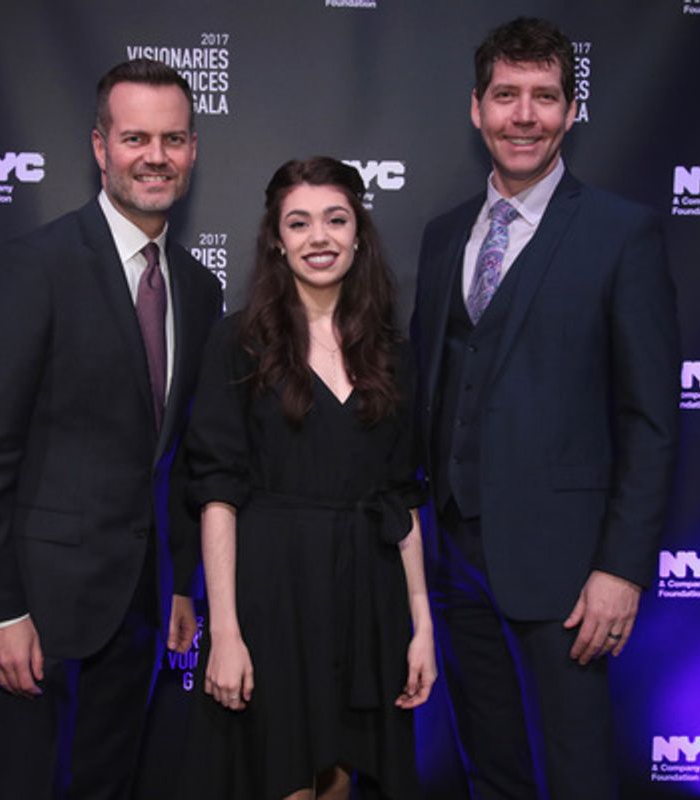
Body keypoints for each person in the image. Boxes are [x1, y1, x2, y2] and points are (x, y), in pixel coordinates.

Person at [410, 17, 680, 800]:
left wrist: (621, 569)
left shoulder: (621, 236)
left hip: (568, 570)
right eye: (506, 96)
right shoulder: (442, 237)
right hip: (455, 559)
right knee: (488, 765)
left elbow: (650, 418)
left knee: (575, 771)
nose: (523, 115)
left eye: (543, 97)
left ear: (569, 110)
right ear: (476, 108)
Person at [0, 58, 223, 798]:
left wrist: (182, 587)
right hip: (36, 608)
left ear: (193, 149)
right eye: (135, 138)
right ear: (100, 147)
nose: (155, 157)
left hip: (137, 610)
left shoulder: (197, 288)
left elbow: (177, 457)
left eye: (171, 139)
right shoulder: (32, 267)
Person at [173, 157, 436, 800]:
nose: (319, 237)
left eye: (335, 219)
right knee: (283, 777)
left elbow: (400, 498)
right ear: (276, 239)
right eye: (299, 222)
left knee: (341, 777)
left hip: (366, 595)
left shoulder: (391, 350)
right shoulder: (237, 341)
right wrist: (226, 632)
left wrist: (422, 624)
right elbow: (217, 494)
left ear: (359, 234)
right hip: (274, 594)